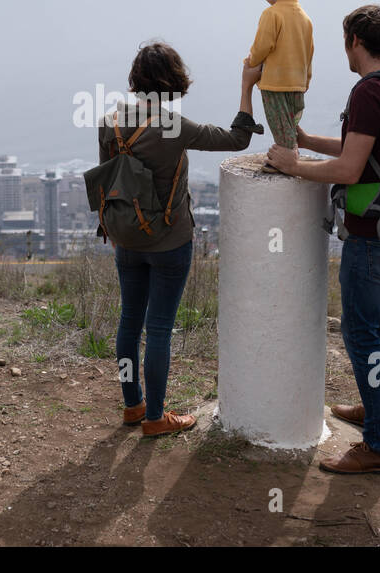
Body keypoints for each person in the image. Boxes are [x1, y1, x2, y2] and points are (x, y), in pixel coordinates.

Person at [267, 5, 380, 473]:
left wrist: (294, 167)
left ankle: (379, 447)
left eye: (343, 39)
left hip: (369, 234)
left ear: (353, 40)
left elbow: (350, 169)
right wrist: (307, 140)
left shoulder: (368, 93)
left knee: (361, 332)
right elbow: (363, 151)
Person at [99, 41, 263, 437]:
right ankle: (156, 418)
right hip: (170, 241)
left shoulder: (109, 121)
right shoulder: (174, 126)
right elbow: (238, 139)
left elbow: (108, 180)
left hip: (126, 239)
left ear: (136, 79)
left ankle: (132, 406)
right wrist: (247, 88)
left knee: (129, 322)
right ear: (173, 82)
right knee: (158, 329)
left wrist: (113, 230)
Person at [243, 0, 314, 173]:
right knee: (289, 124)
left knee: (278, 123)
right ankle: (290, 151)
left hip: (275, 83)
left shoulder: (271, 14)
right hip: (298, 83)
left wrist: (250, 63)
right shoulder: (304, 18)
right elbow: (308, 52)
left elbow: (262, 45)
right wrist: (306, 80)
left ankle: (285, 161)